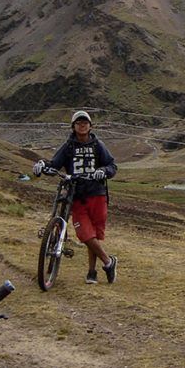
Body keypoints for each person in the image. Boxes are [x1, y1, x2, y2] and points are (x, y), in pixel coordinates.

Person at [33, 110, 118, 284]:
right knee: (85, 234)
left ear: (90, 126)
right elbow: (55, 164)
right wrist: (42, 165)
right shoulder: (68, 147)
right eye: (78, 123)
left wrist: (102, 171)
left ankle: (92, 272)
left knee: (94, 235)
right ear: (73, 126)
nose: (82, 125)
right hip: (76, 195)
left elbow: (111, 165)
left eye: (85, 122)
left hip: (97, 194)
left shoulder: (97, 145)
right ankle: (108, 262)